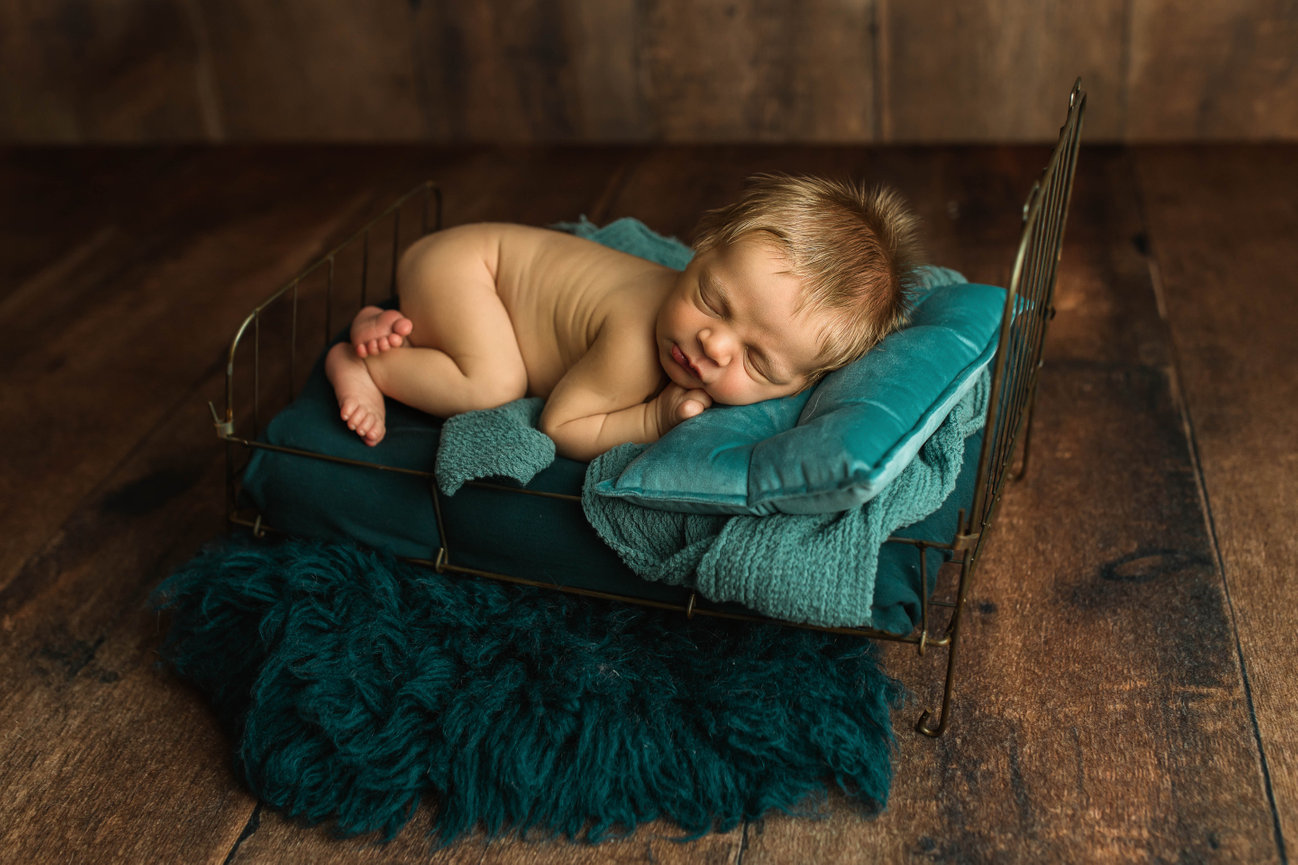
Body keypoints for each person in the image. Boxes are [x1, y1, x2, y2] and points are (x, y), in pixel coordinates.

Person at [326, 173, 923, 461]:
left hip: (468, 270)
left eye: (758, 361)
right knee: (492, 383)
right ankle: (364, 362)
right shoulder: (635, 345)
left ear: (803, 383)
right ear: (698, 253)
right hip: (466, 269)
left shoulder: (711, 331)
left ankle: (389, 324)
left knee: (487, 356)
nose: (714, 344)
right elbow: (560, 425)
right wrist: (654, 417)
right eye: (712, 301)